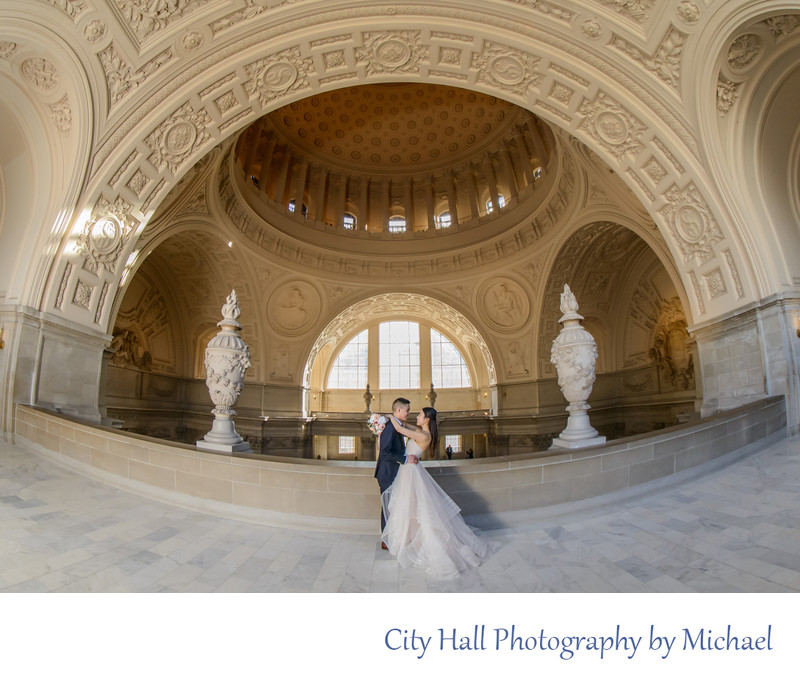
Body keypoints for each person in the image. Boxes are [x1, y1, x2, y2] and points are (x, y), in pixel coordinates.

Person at [381, 407, 494, 578]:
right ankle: (407, 538)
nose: (416, 416)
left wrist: (389, 416)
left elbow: (400, 429)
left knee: (418, 509)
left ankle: (429, 545)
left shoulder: (424, 435)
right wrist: (381, 422)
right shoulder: (420, 430)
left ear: (426, 419)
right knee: (407, 506)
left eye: (419, 414)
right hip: (408, 471)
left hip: (411, 473)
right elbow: (404, 424)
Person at [374, 397, 418, 548]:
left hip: (393, 472)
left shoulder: (396, 425)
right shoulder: (390, 427)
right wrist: (406, 459)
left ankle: (392, 537)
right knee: (387, 506)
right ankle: (386, 541)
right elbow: (385, 453)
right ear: (398, 410)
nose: (409, 413)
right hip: (387, 473)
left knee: (392, 505)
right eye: (407, 410)